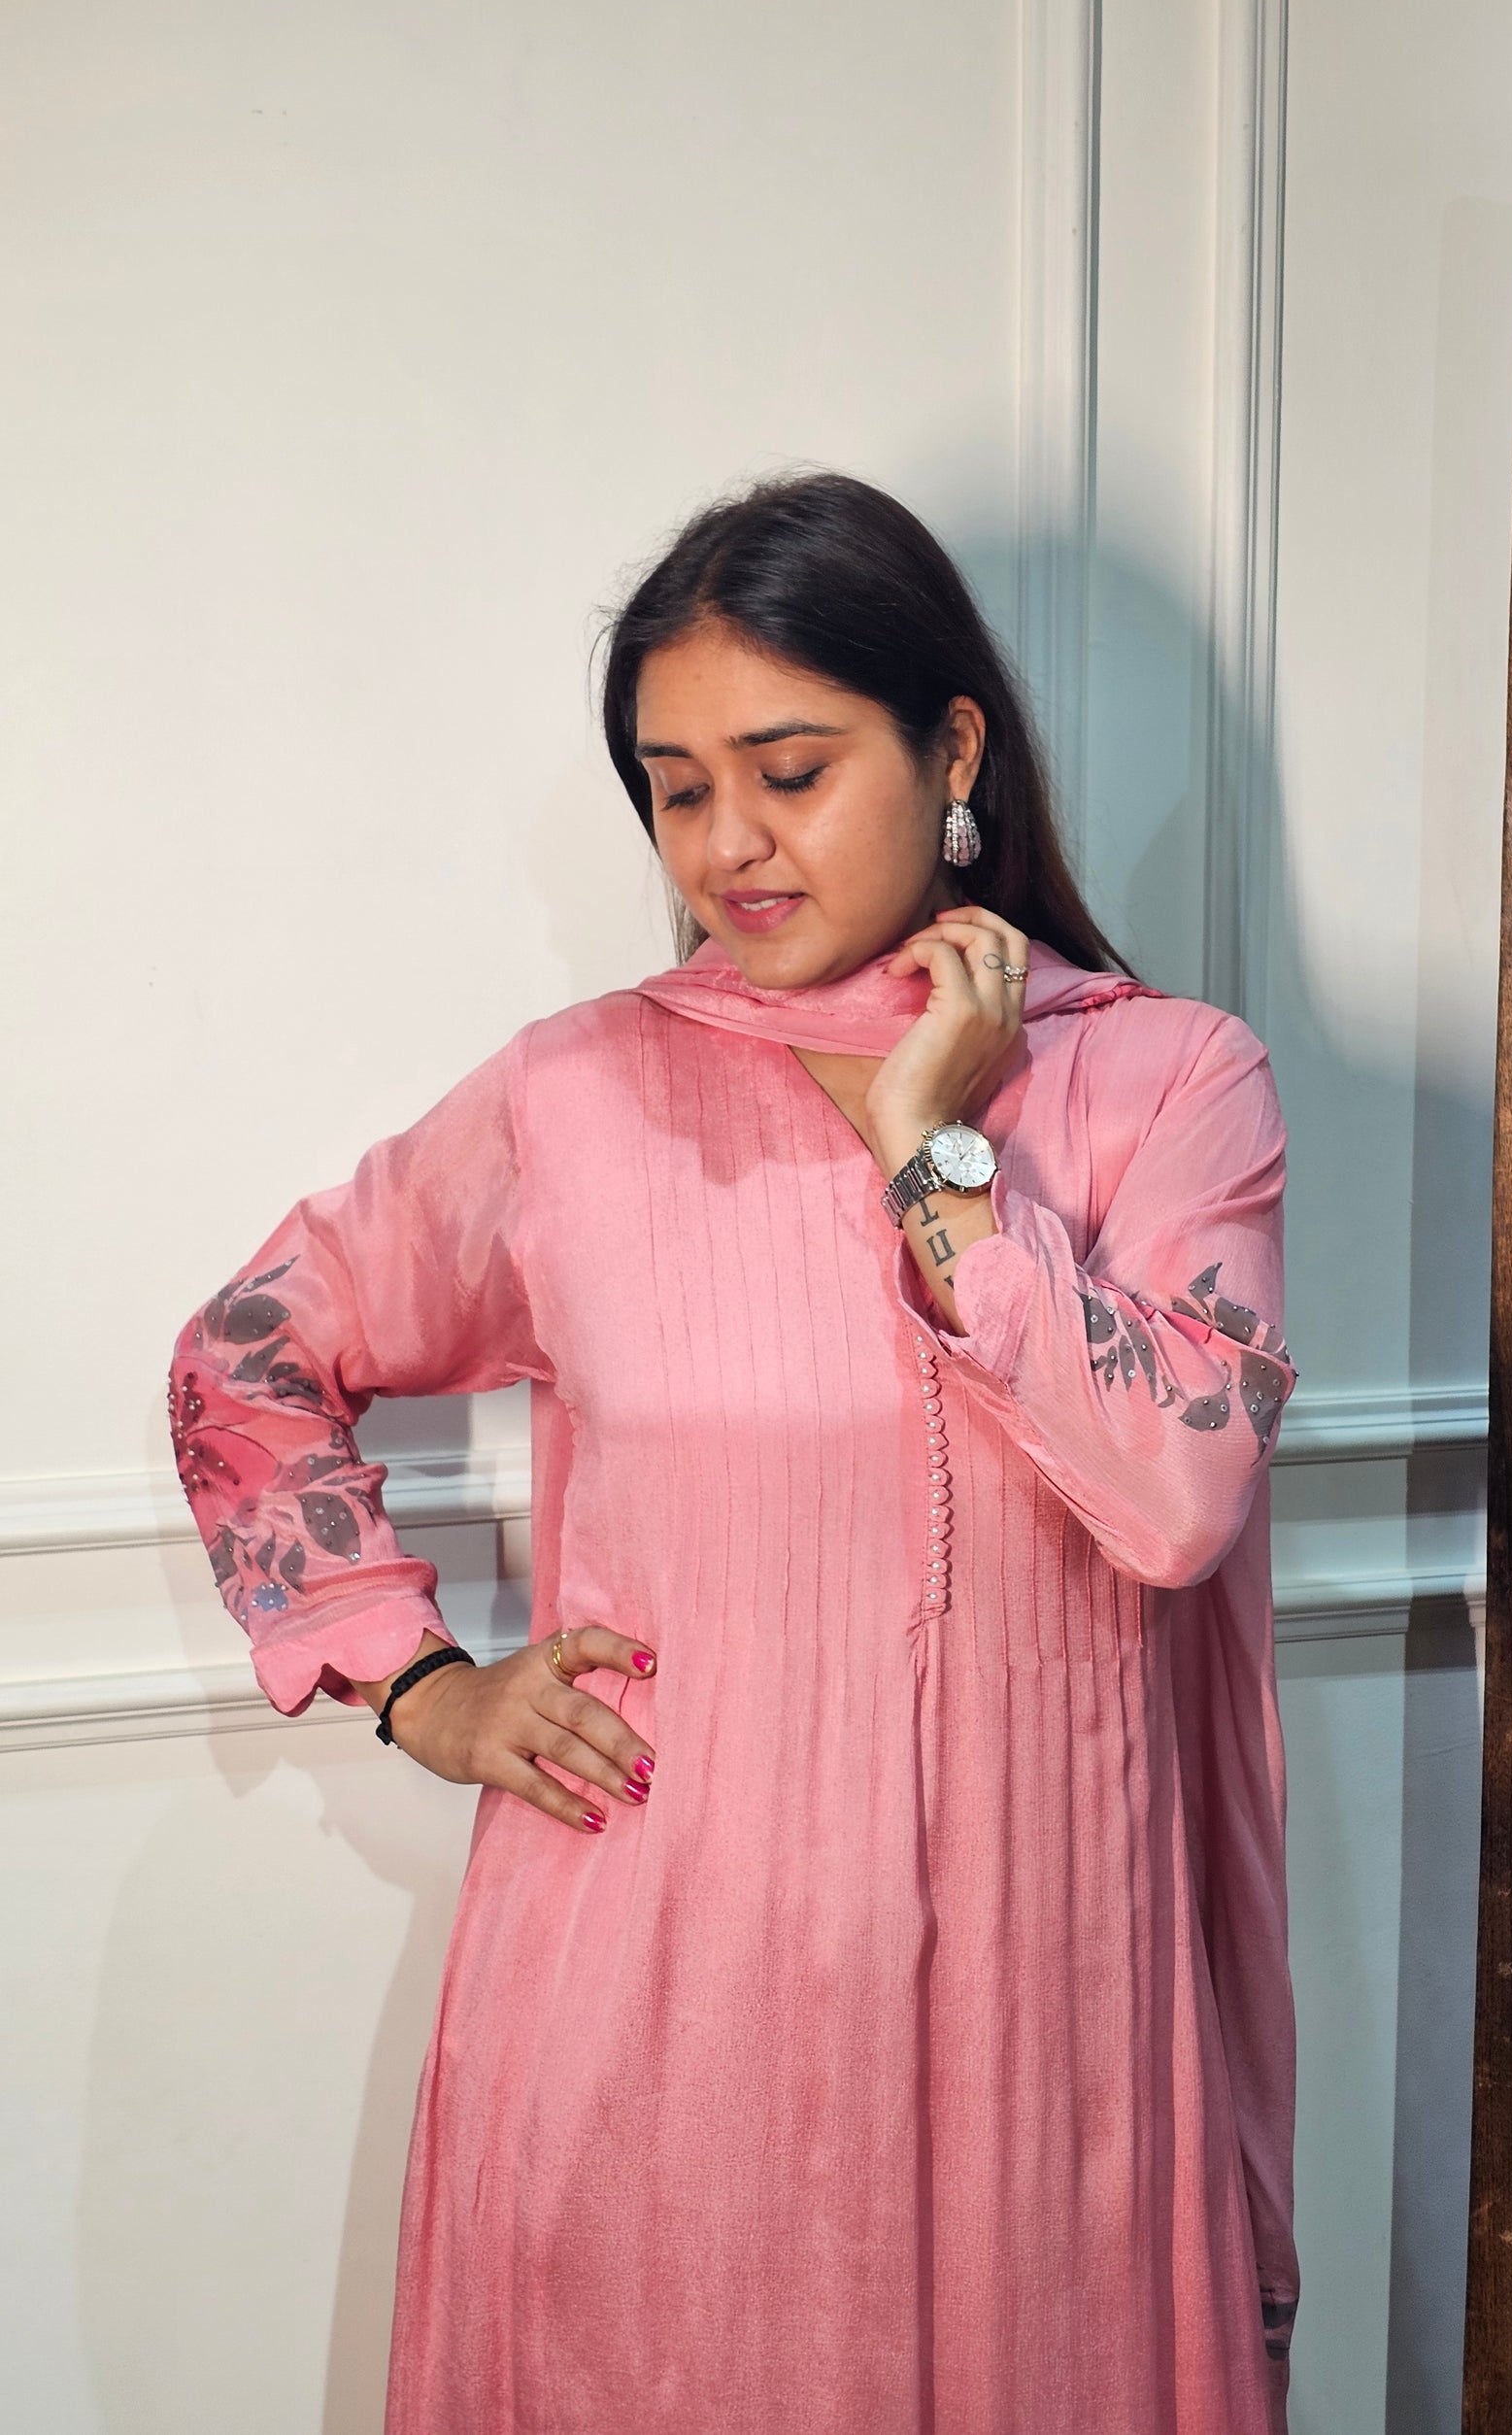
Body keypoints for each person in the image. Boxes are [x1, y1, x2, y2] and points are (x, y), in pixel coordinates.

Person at [167, 470, 1300, 2434]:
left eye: (789, 770)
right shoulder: (576, 1097)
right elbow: (245, 1356)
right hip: (663, 2021)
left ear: (953, 747)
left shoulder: (1168, 1080)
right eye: (676, 788)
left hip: (1049, 2033)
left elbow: (1174, 1493)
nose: (727, 846)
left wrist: (937, 1149)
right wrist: (424, 1687)